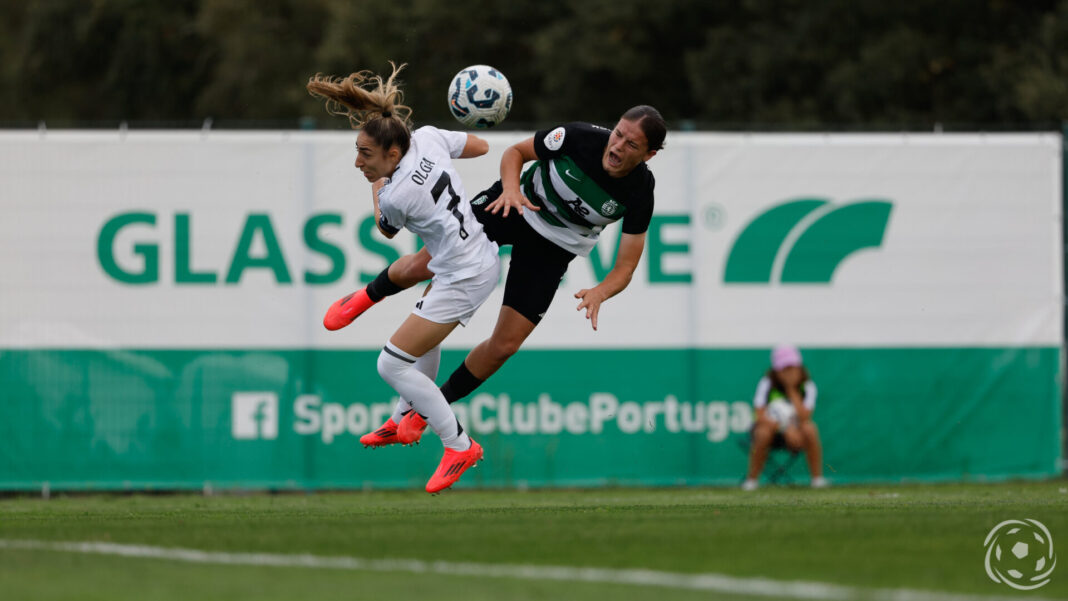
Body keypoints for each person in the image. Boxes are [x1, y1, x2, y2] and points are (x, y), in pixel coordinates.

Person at [326, 106, 666, 444]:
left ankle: (426, 409)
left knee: (505, 345)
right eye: (618, 133)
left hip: (554, 247)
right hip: (513, 205)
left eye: (631, 144)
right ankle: (365, 297)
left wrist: (601, 292)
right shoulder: (580, 136)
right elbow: (515, 152)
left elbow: (625, 268)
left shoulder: (640, 191)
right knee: (422, 265)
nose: (618, 146)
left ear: (649, 155)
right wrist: (511, 189)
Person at [308, 63, 500, 493]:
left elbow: (384, 225)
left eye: (366, 155)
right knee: (420, 342)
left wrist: (377, 181)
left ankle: (459, 445)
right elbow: (482, 146)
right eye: (358, 152)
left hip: (464, 275)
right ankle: (401, 421)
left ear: (393, 154)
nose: (358, 162)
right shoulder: (430, 137)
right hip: (468, 259)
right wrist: (473, 122)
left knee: (391, 363)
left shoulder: (397, 193)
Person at [742, 345, 827, 490]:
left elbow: (805, 417)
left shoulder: (808, 386)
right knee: (762, 433)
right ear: (776, 370)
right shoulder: (766, 384)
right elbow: (759, 415)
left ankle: (817, 479)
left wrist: (791, 389)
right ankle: (752, 480)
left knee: (810, 429)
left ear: (799, 367)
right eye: (784, 368)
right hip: (771, 433)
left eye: (792, 367)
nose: (788, 372)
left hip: (796, 435)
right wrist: (784, 429)